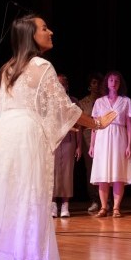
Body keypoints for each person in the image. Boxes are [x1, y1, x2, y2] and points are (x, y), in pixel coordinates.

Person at [0, 13, 115, 260]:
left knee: (9, 198)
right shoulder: (42, 66)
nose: (50, 31)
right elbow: (64, 108)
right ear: (31, 35)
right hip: (26, 138)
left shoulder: (8, 68)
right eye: (44, 28)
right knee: (29, 198)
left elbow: (28, 109)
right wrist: (96, 122)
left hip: (6, 138)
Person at [90, 71, 131, 218]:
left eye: (116, 80)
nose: (114, 83)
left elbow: (129, 125)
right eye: (111, 80)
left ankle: (116, 207)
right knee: (103, 173)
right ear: (107, 83)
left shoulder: (126, 101)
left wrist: (129, 145)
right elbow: (95, 125)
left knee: (118, 173)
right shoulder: (99, 102)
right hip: (102, 138)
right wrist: (92, 145)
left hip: (119, 137)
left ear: (120, 83)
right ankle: (103, 207)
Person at [51, 74, 81, 218]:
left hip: (69, 140)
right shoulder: (49, 102)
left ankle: (65, 204)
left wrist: (79, 146)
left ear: (66, 86)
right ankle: (53, 204)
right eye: (57, 84)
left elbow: (79, 126)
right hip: (53, 141)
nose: (59, 86)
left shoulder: (73, 102)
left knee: (67, 173)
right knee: (52, 172)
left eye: (62, 84)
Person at [78, 72, 104, 213]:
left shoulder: (105, 101)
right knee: (91, 168)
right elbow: (81, 124)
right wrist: (80, 145)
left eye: (99, 83)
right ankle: (94, 199)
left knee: (105, 167)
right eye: (94, 83)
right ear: (89, 85)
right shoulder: (83, 102)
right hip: (88, 135)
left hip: (104, 134)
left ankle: (106, 200)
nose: (96, 86)